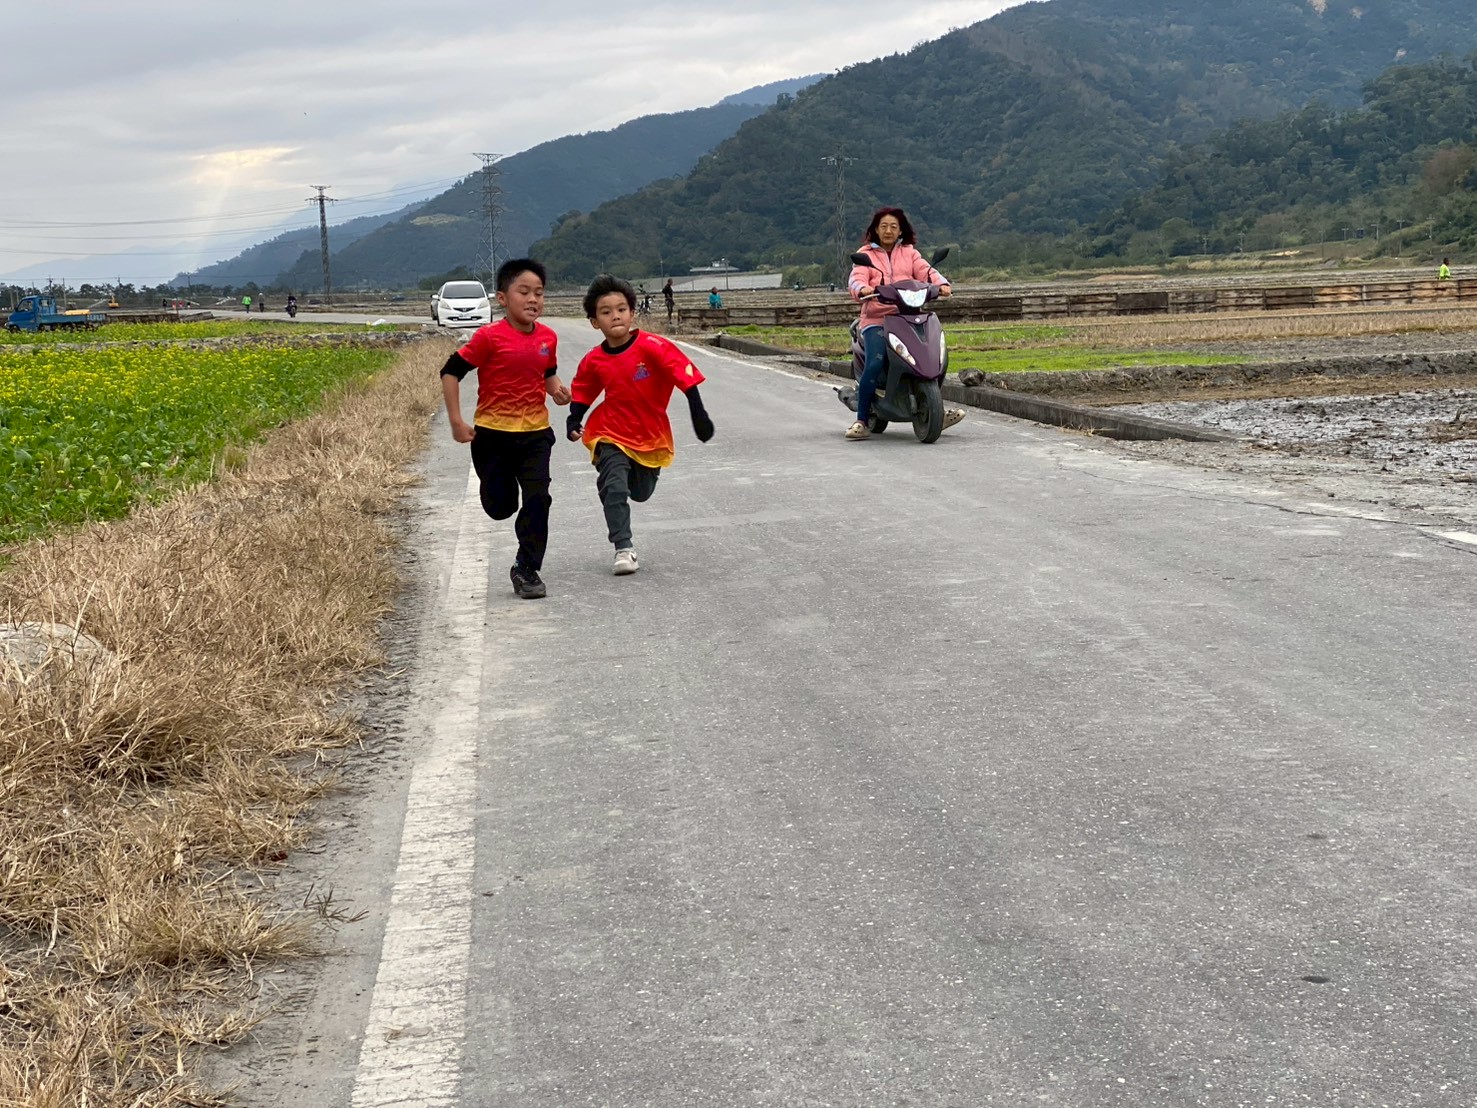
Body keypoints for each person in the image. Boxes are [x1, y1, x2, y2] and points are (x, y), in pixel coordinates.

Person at [439, 258, 571, 600]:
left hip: (535, 434)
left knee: (539, 498)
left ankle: (526, 568)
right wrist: (456, 421)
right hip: (493, 436)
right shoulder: (489, 337)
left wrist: (557, 391)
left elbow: (547, 374)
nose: (533, 299)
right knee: (501, 508)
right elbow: (450, 371)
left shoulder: (548, 337)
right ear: (502, 298)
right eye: (524, 292)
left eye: (539, 293)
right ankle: (496, 493)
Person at [566, 275, 715, 576]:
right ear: (594, 322)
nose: (615, 316)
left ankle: (623, 483)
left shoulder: (653, 346)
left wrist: (698, 413)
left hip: (649, 433)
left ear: (632, 313)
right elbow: (583, 390)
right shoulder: (594, 359)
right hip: (609, 431)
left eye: (621, 309)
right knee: (615, 486)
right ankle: (623, 547)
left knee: (641, 492)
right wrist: (574, 418)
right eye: (606, 312)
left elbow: (683, 373)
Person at [844, 206, 964, 440]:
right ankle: (861, 419)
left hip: (909, 316)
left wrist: (942, 285)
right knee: (875, 362)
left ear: (901, 230)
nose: (888, 231)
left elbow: (926, 272)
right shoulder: (866, 255)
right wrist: (863, 288)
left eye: (893, 226)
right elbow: (856, 279)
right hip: (877, 319)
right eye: (883, 226)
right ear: (875, 230)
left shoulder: (909, 253)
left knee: (934, 356)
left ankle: (935, 409)